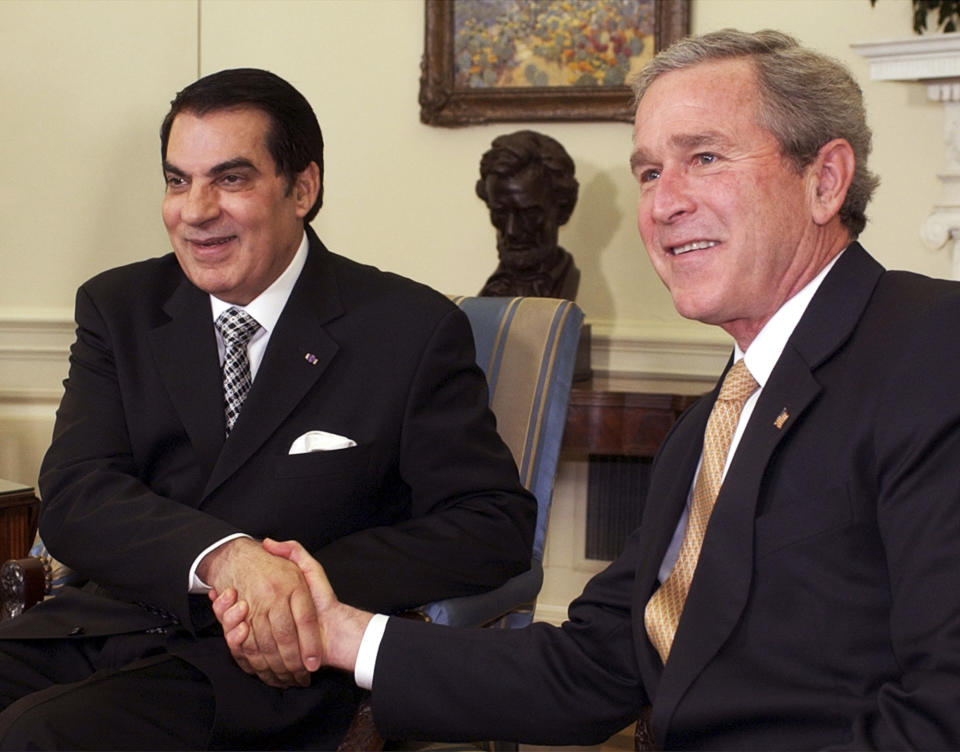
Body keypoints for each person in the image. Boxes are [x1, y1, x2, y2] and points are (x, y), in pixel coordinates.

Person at [214, 30, 960, 750]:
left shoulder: (932, 350)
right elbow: (593, 668)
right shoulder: (713, 422)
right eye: (647, 173)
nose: (664, 203)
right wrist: (339, 631)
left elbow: (943, 712)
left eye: (703, 156)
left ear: (824, 180)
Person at [0, 68, 536, 750]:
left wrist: (291, 588)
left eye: (230, 179)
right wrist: (226, 559)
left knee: (37, 737)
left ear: (302, 189)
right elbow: (78, 496)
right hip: (104, 623)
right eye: (176, 180)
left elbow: (493, 523)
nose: (194, 210)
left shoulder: (407, 328)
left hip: (267, 670)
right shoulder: (119, 307)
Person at [476, 130, 580, 300]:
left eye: (529, 214)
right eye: (500, 212)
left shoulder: (565, 286)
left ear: (563, 210)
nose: (511, 230)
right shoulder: (490, 293)